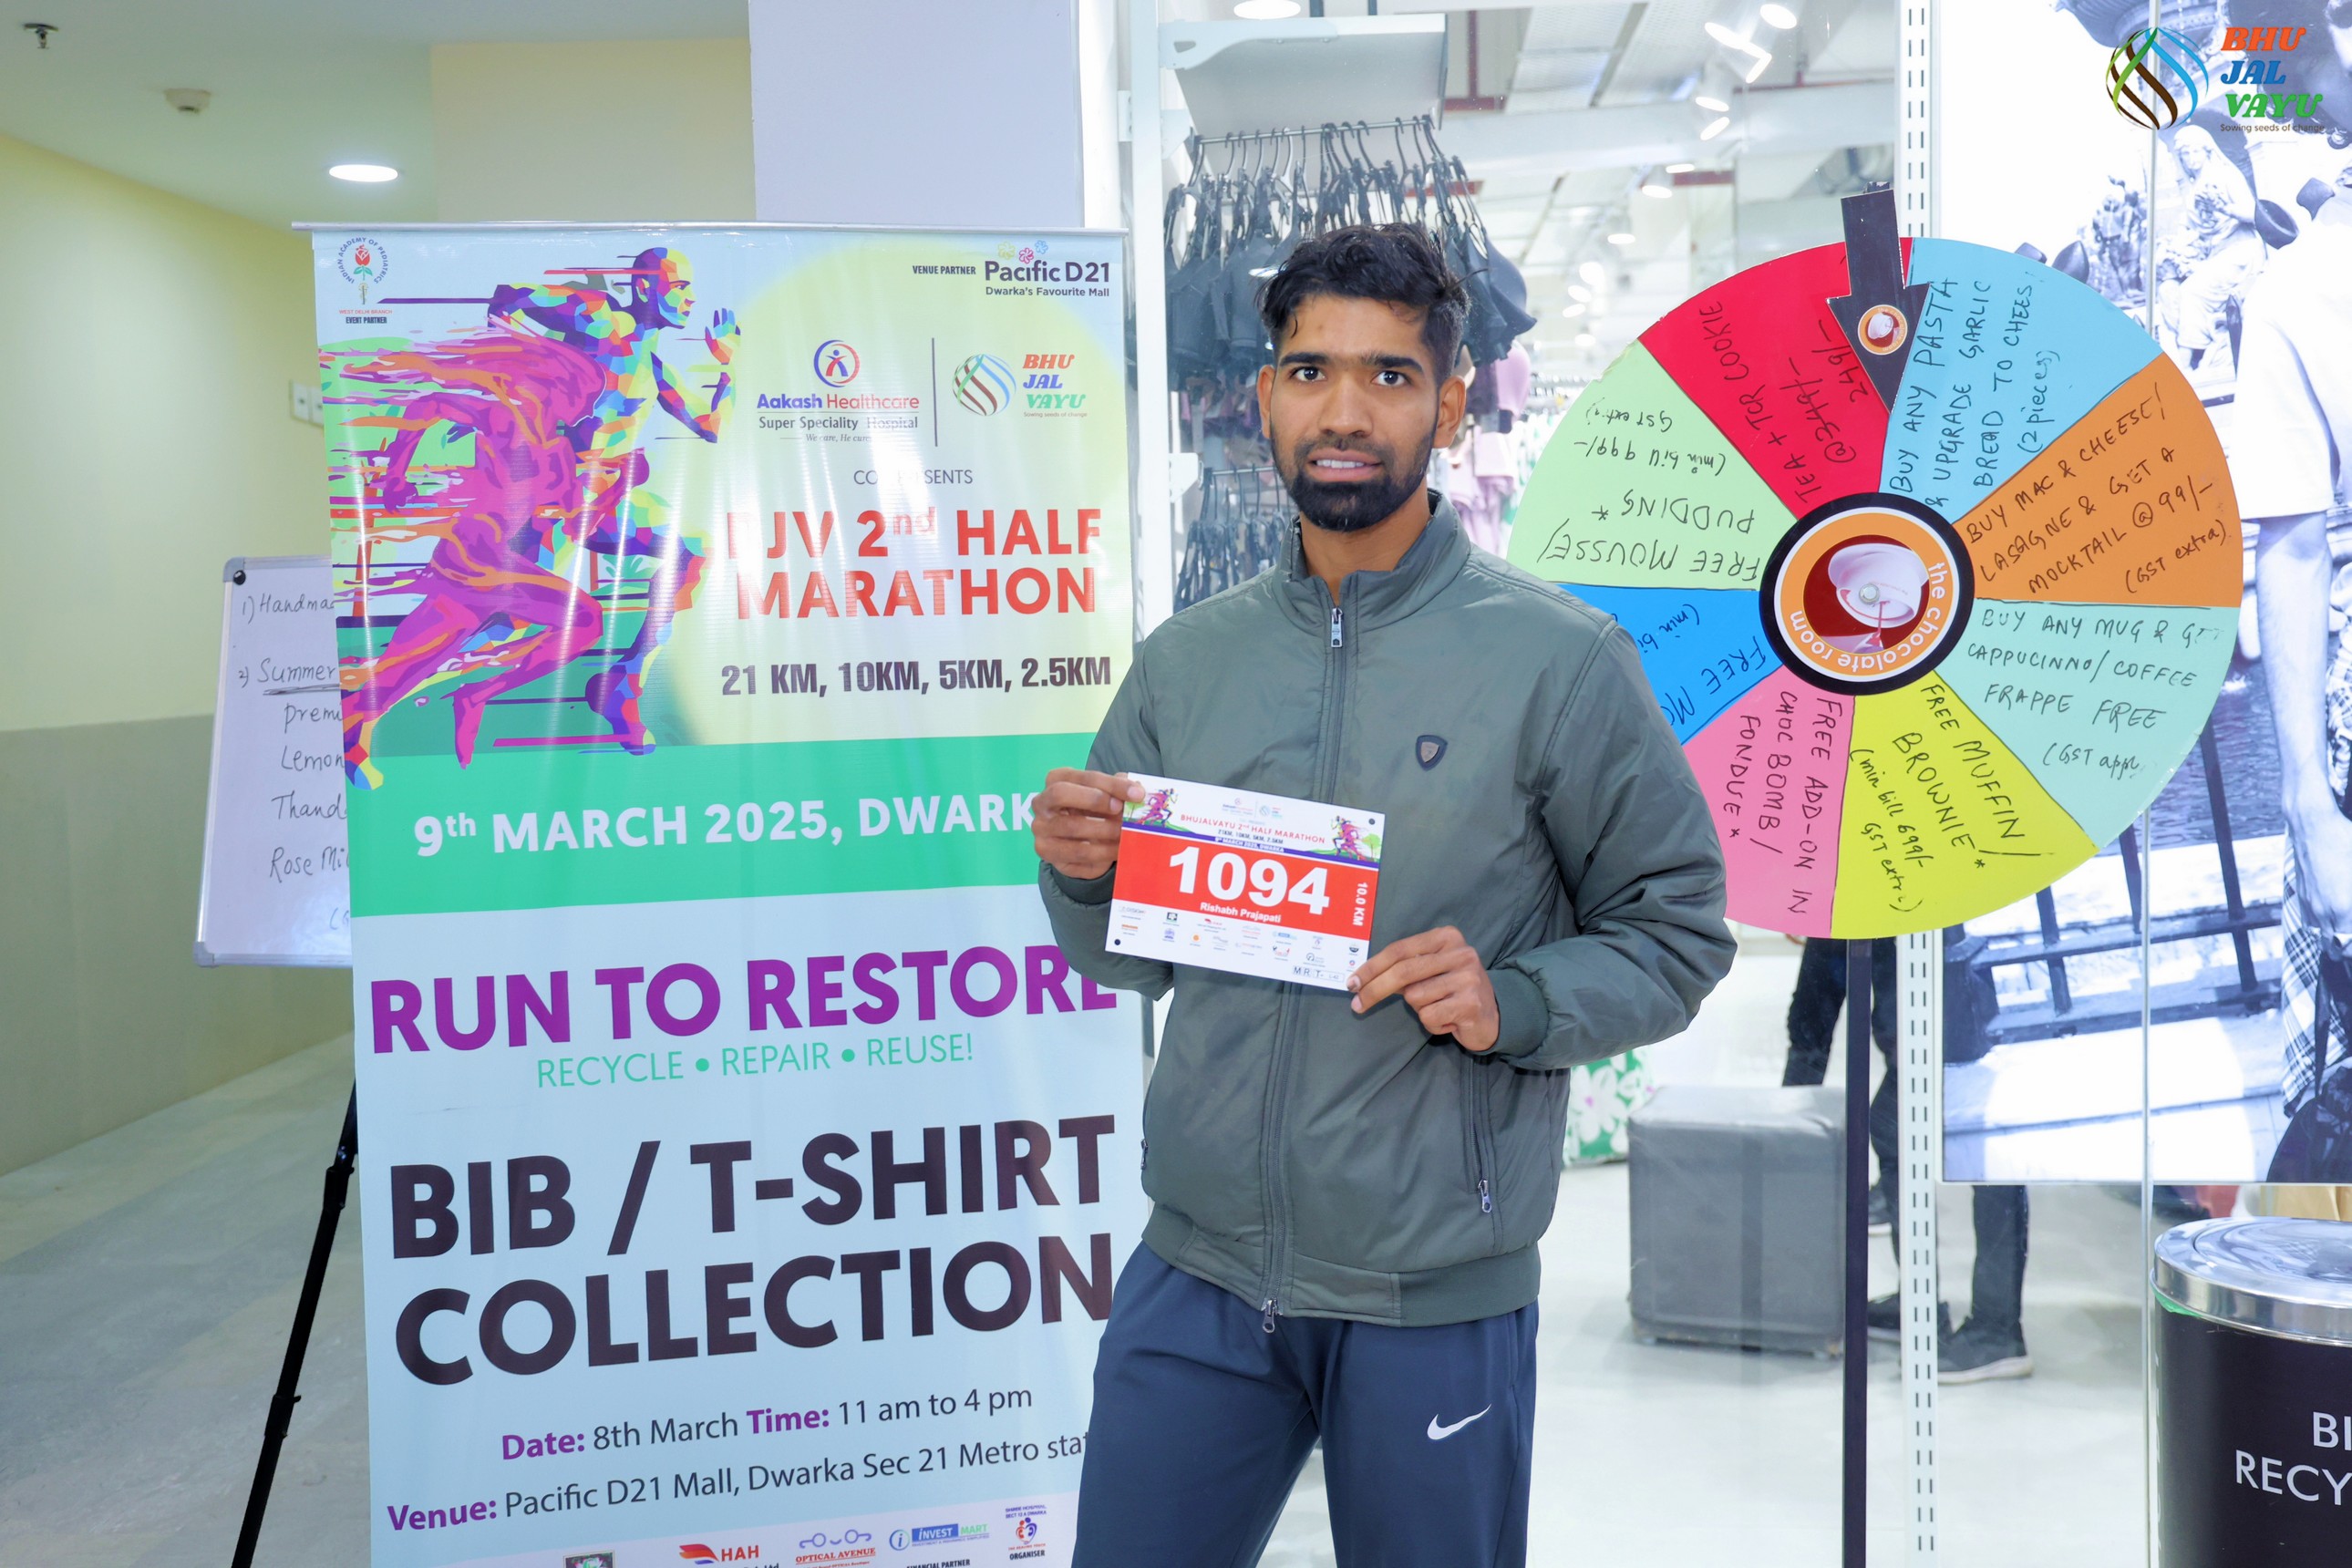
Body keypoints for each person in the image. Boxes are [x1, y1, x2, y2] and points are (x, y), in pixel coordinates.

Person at [1030, 224, 1734, 1566]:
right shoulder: (1187, 664)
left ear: (1451, 407)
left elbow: (1676, 929)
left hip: (1433, 1291)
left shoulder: (1559, 662)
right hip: (1199, 1273)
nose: (1343, 412)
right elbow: (1130, 957)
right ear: (1265, 398)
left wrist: (1518, 998)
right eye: (1310, 372)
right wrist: (1080, 877)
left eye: (1389, 376)